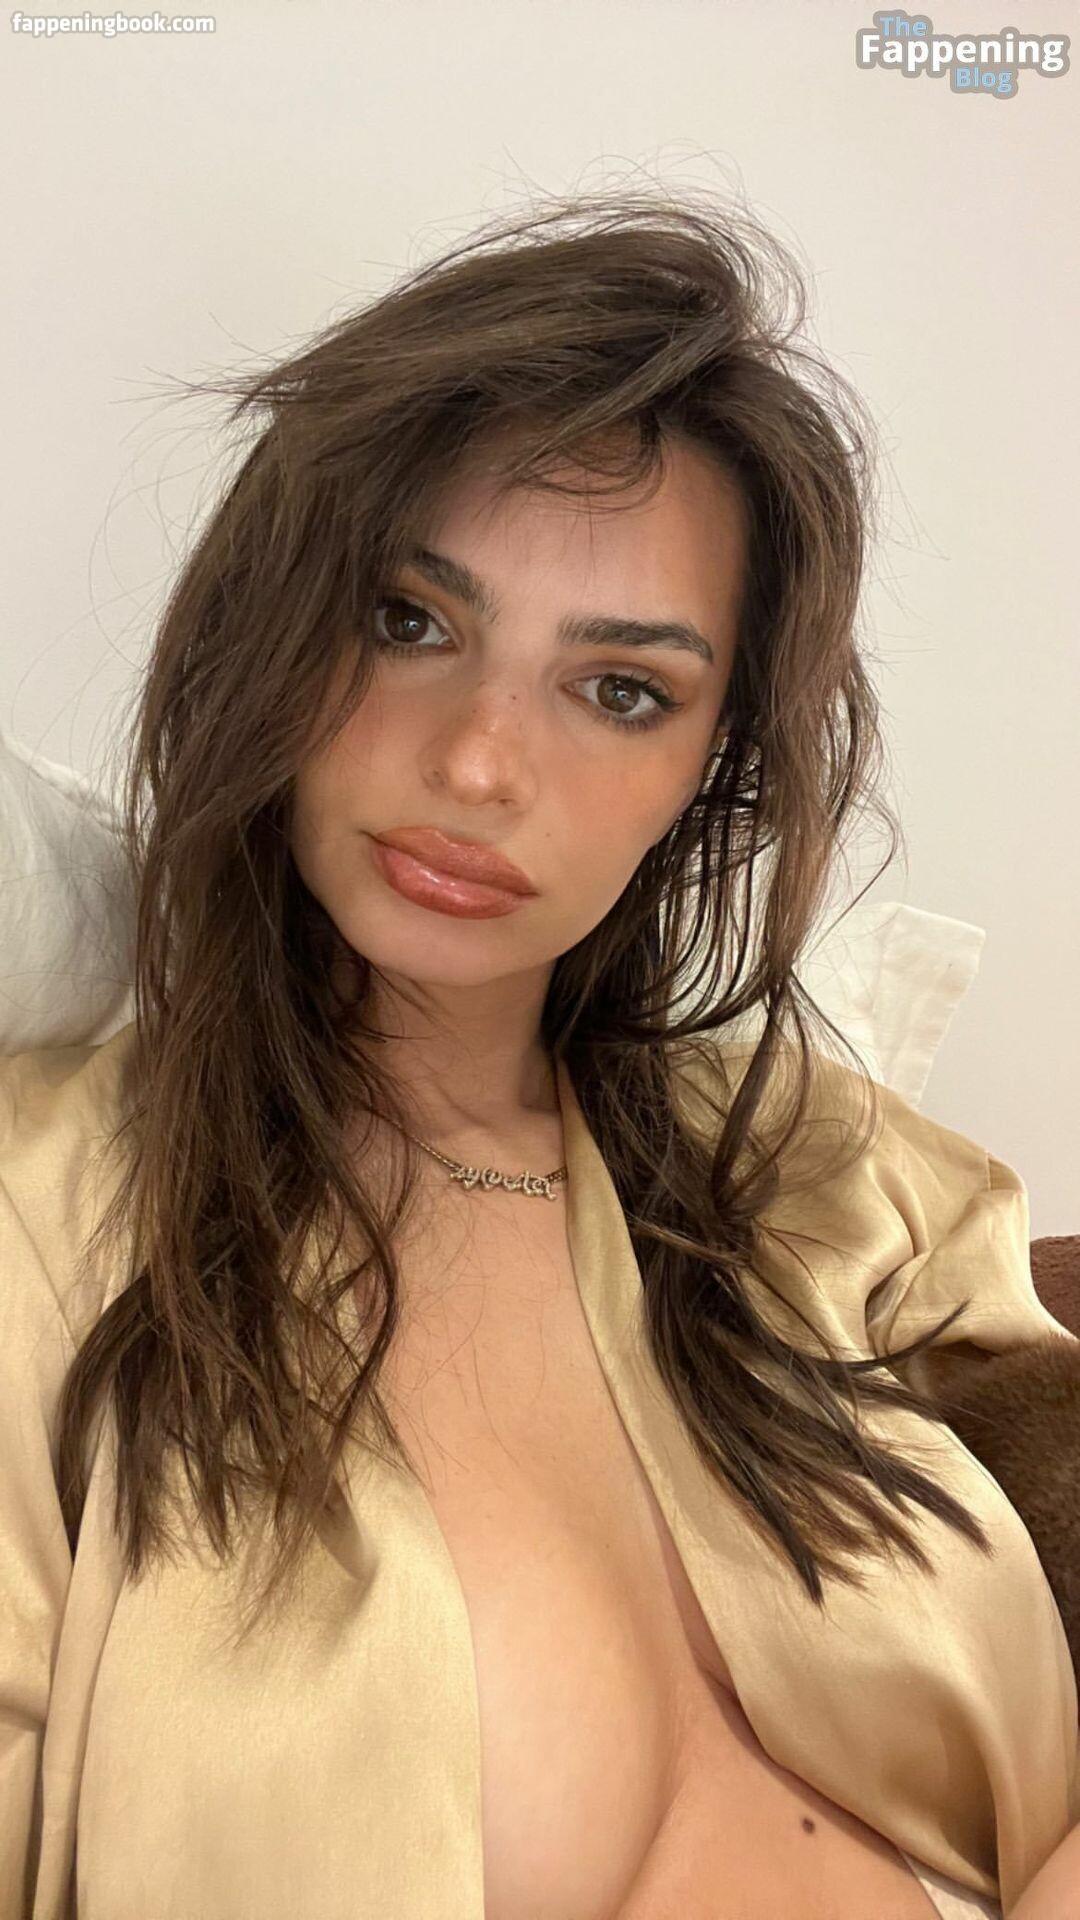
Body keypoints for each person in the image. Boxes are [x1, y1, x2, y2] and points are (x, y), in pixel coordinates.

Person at [2, 189, 1077, 1920]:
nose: (483, 764)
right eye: (409, 620)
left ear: (710, 769)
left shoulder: (808, 1162)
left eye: (622, 689)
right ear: (272, 623)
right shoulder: (47, 1217)